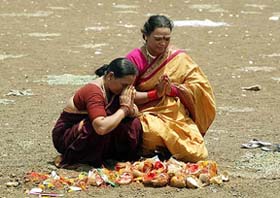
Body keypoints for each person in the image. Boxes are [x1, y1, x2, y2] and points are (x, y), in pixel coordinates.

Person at [125, 15, 216, 162]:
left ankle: (166, 152)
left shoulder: (178, 57)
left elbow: (200, 86)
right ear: (145, 36)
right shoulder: (134, 59)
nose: (162, 43)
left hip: (175, 114)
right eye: (158, 39)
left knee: (198, 153)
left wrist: (172, 90)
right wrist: (156, 93)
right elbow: (125, 95)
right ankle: (160, 152)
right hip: (147, 113)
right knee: (151, 135)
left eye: (167, 39)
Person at [52, 58, 143, 167]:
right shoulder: (94, 92)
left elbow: (135, 110)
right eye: (124, 85)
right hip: (68, 136)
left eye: (129, 86)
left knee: (133, 123)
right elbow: (101, 127)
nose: (126, 90)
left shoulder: (115, 88)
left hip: (101, 128)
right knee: (94, 126)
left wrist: (129, 109)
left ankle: (111, 156)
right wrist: (124, 110)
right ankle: (79, 157)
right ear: (110, 76)